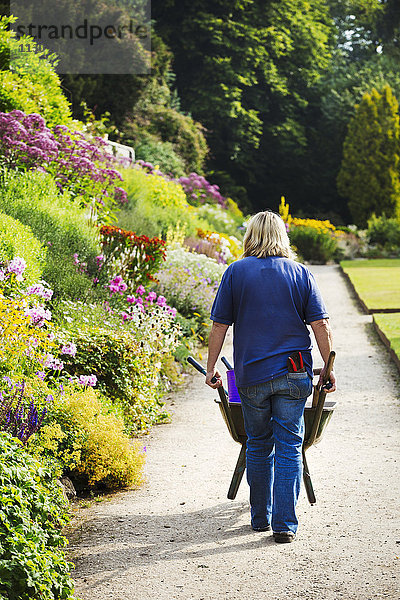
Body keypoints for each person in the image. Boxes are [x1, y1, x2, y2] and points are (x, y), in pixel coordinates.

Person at [206, 210, 336, 543]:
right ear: (283, 237)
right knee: (290, 446)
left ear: (250, 236)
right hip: (294, 372)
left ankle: (260, 518)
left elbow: (220, 324)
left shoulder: (235, 272)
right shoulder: (300, 273)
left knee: (259, 444)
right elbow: (319, 324)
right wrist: (328, 368)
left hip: (252, 375)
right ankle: (284, 526)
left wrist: (211, 369)